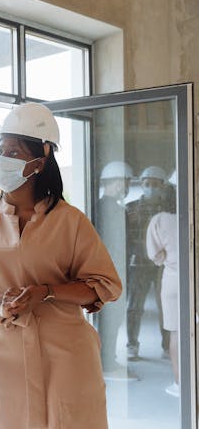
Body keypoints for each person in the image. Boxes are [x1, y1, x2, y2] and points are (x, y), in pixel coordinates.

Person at [0, 103, 121, 429]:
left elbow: (103, 285)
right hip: (7, 356)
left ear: (41, 157)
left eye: (12, 152)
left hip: (64, 356)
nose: (1, 159)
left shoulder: (70, 222)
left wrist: (45, 293)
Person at [95, 161, 138, 380]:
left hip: (109, 271)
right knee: (112, 318)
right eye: (127, 182)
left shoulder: (100, 206)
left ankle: (107, 359)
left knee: (110, 318)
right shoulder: (113, 210)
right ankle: (107, 362)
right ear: (118, 182)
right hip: (112, 272)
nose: (127, 186)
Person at [125, 166, 170, 360]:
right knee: (135, 307)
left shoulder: (170, 209)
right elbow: (125, 240)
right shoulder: (130, 208)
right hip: (140, 264)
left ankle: (168, 346)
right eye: (147, 184)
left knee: (166, 306)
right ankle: (132, 345)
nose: (151, 188)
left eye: (155, 184)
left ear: (162, 186)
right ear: (141, 185)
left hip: (164, 265)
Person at [146, 170, 180, 397]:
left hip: (173, 282)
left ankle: (180, 384)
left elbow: (155, 255)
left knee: (176, 335)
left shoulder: (160, 220)